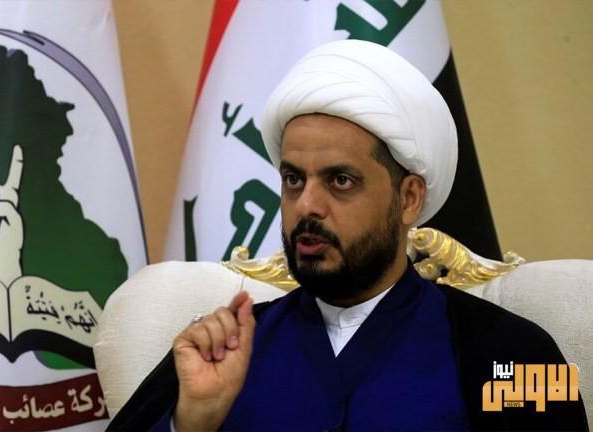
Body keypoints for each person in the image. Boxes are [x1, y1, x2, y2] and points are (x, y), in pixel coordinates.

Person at [107, 40, 588, 431]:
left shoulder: (515, 352)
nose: (307, 205)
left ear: (409, 199)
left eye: (340, 180)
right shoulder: (223, 347)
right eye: (293, 179)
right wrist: (191, 424)